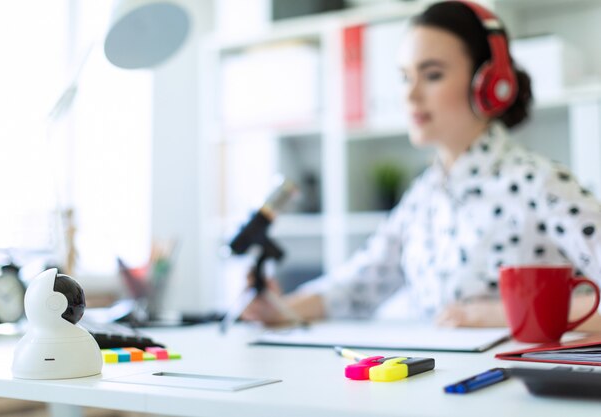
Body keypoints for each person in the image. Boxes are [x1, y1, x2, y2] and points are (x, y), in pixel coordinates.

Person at [241, 0, 601, 331]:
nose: (410, 95)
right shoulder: (423, 197)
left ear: (490, 83)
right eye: (404, 77)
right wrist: (279, 308)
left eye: (432, 75)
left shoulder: (540, 183)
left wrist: (498, 314)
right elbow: (356, 286)